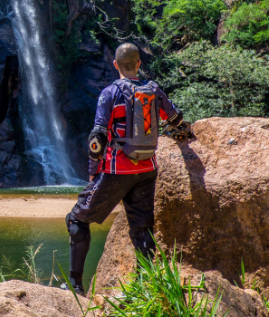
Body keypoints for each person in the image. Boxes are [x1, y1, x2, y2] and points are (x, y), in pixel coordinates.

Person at [65, 42, 188, 295]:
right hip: (147, 170)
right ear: (139, 64)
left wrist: (93, 171)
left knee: (77, 218)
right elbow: (176, 120)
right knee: (142, 229)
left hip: (116, 171)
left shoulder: (109, 93)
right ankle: (147, 287)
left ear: (115, 64)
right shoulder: (153, 90)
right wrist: (180, 133)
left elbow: (97, 137)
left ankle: (75, 286)